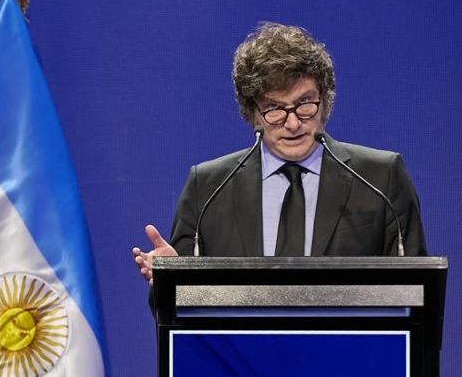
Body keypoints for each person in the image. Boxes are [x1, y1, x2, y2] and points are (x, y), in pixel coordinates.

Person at [133, 22, 427, 286]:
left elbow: (418, 296)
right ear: (253, 113)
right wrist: (171, 278)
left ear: (325, 101)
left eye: (305, 103)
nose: (294, 122)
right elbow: (179, 316)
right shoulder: (208, 188)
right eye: (275, 108)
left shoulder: (379, 178)